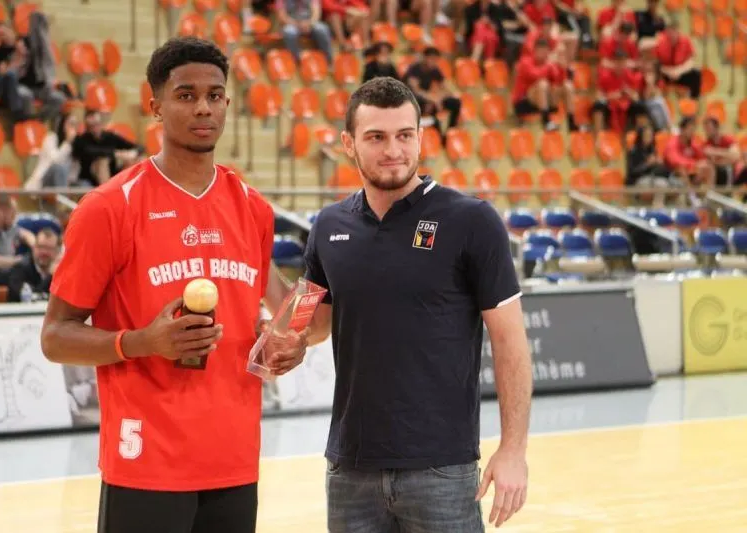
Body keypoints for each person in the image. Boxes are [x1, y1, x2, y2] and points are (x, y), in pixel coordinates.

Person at [40, 37, 309, 533]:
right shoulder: (108, 208)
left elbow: (279, 312)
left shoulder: (252, 207)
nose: (203, 107)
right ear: (156, 106)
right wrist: (142, 342)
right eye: (186, 95)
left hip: (235, 459)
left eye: (214, 95)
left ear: (227, 103)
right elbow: (55, 337)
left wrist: (285, 344)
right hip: (146, 460)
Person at [266, 76, 533, 532]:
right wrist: (290, 334)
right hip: (350, 470)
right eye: (376, 137)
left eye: (404, 135)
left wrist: (513, 451)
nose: (393, 150)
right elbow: (312, 321)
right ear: (349, 144)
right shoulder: (329, 226)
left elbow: (511, 343)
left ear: (421, 138)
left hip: (442, 471)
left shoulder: (472, 221)